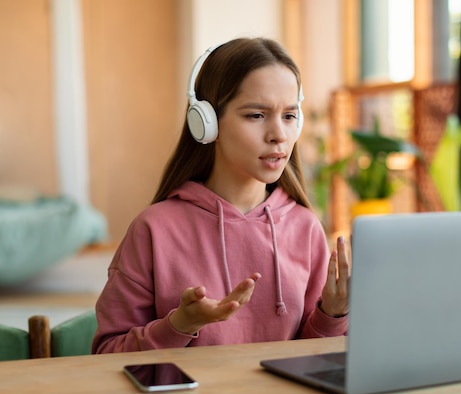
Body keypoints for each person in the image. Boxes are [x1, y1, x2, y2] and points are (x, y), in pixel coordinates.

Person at [91, 37, 349, 354]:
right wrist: (179, 326)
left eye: (289, 116)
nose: (279, 135)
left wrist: (332, 314)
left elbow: (312, 363)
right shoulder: (154, 230)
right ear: (206, 123)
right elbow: (106, 354)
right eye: (256, 115)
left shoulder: (306, 228)